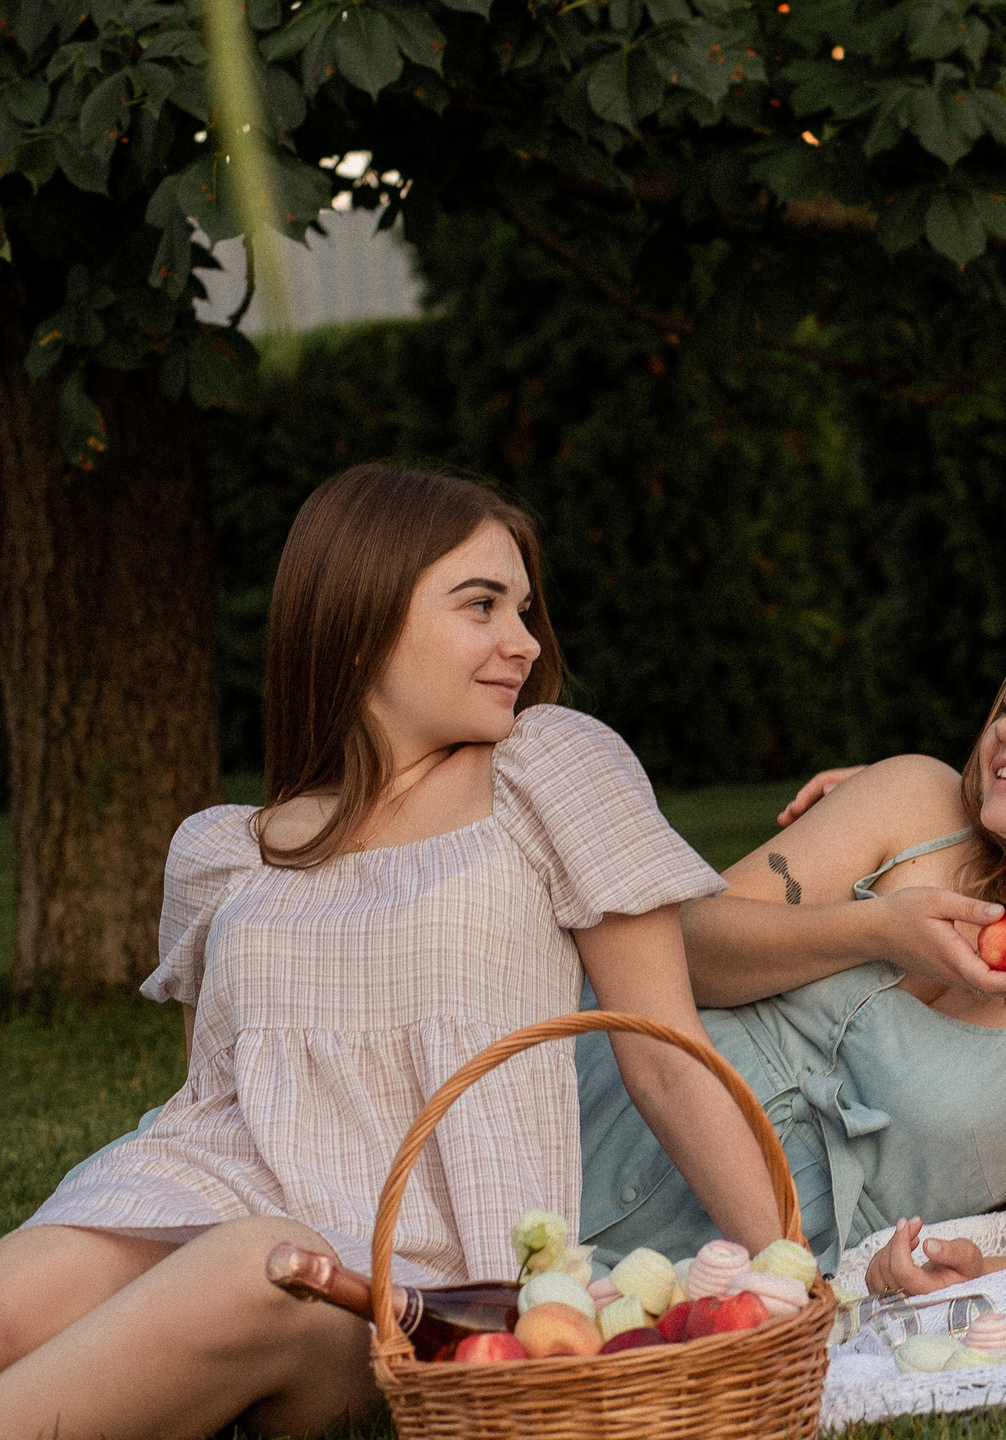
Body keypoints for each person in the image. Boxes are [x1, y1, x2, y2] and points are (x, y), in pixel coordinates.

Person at [0, 464, 777, 1440]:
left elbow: (664, 1055)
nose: (523, 644)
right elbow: (211, 1099)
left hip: (408, 1279)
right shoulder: (222, 847)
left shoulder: (549, 768)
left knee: (251, 1264)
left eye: (525, 611)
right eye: (482, 605)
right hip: (187, 1196)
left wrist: (791, 1268)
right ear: (362, 613)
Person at [580, 607, 1006, 1295]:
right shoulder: (914, 803)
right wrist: (874, 929)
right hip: (580, 1091)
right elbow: (675, 949)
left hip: (712, 1265)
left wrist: (976, 1272)